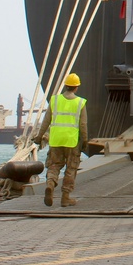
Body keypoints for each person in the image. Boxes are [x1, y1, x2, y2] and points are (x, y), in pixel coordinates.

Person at [33, 73, 88, 207]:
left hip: (56, 140)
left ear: (66, 85)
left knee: (54, 166)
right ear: (76, 87)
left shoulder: (54, 100)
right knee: (71, 169)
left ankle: (50, 185)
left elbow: (46, 121)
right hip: (72, 141)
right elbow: (83, 125)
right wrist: (85, 141)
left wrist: (39, 137)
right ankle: (65, 198)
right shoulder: (80, 102)